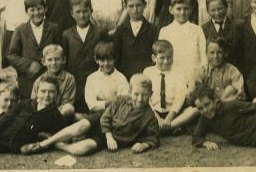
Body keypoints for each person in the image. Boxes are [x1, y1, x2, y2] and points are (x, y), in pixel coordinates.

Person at [19, 74, 159, 156]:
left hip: (113, 137)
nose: (139, 99)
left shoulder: (150, 117)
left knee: (84, 148)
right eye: (136, 94)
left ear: (151, 95)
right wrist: (108, 135)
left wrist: (144, 145)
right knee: (81, 126)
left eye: (144, 95)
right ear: (130, 91)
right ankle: (44, 144)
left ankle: (56, 143)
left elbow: (153, 137)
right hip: (101, 122)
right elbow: (105, 117)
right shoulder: (120, 99)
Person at [0, 75, 66, 155]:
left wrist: (43, 138)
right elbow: (7, 117)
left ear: (57, 94)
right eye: (43, 91)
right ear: (37, 92)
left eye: (51, 92)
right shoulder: (26, 103)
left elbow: (56, 136)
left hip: (14, 144)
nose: (47, 95)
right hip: (3, 130)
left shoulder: (55, 115)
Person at [8, 0, 61, 99]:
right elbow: (11, 55)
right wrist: (29, 65)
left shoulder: (54, 28)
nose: (36, 13)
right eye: (32, 10)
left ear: (45, 9)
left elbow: (60, 51)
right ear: (26, 12)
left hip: (49, 79)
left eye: (39, 9)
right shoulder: (20, 30)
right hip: (28, 80)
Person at [61, 0, 108, 112]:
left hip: (97, 79)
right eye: (78, 12)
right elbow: (64, 60)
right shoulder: (66, 35)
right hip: (76, 80)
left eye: (85, 11)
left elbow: (107, 54)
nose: (82, 15)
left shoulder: (100, 32)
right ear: (72, 13)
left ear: (91, 11)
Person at [143, 40, 199, 132]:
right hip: (153, 112)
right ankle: (170, 127)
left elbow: (180, 97)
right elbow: (147, 98)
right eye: (162, 58)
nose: (166, 61)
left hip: (173, 112)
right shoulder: (148, 72)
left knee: (195, 110)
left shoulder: (178, 72)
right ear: (153, 58)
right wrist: (157, 117)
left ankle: (168, 127)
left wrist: (170, 117)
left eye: (169, 57)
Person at [158, 0, 207, 89]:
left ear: (191, 10)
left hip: (194, 75)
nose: (182, 12)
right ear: (171, 10)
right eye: (179, 9)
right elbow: (161, 55)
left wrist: (202, 72)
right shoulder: (165, 31)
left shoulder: (197, 30)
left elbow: (203, 54)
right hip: (173, 76)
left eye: (186, 9)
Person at [114, 0, 159, 79]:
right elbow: (116, 57)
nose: (135, 9)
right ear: (125, 6)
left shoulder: (153, 29)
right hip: (125, 76)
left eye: (138, 5)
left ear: (145, 5)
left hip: (146, 76)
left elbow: (155, 55)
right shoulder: (120, 30)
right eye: (131, 6)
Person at [193, 37, 245, 102]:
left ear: (225, 53)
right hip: (208, 108)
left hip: (229, 106)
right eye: (212, 53)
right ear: (206, 54)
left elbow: (241, 95)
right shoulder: (201, 72)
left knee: (230, 88)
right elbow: (197, 96)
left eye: (219, 52)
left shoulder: (232, 71)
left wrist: (222, 101)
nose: (216, 56)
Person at [84, 41, 130, 115]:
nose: (106, 63)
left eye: (109, 59)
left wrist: (100, 103)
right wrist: (112, 100)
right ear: (96, 60)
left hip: (116, 114)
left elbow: (124, 101)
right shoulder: (91, 78)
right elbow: (91, 105)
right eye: (102, 60)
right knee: (82, 125)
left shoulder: (120, 78)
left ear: (115, 59)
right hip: (97, 114)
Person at [30, 44, 76, 118]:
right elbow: (33, 101)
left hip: (59, 114)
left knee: (69, 108)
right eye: (49, 60)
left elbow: (67, 102)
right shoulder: (39, 80)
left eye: (57, 59)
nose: (54, 63)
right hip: (42, 113)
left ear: (63, 60)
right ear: (43, 61)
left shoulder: (69, 78)